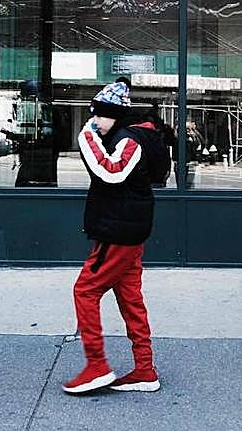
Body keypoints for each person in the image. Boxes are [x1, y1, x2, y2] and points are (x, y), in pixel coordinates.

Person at [64, 80, 171, 395]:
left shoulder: (129, 139)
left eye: (99, 115)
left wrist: (86, 136)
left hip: (118, 232)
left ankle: (96, 366)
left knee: (84, 291)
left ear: (115, 114)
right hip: (128, 230)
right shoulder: (135, 135)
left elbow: (110, 171)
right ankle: (144, 369)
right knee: (131, 299)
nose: (95, 121)